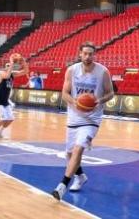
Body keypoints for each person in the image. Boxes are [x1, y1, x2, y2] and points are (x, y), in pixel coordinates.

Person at [51, 42, 114, 200]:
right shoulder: (72, 70)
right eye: (85, 53)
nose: (88, 57)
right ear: (80, 54)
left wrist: (99, 100)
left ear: (94, 55)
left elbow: (110, 93)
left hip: (92, 118)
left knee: (78, 150)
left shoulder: (102, 72)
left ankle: (62, 185)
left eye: (90, 54)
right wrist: (75, 102)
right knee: (69, 154)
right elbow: (64, 93)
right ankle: (80, 177)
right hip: (74, 116)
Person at [0, 59, 29, 142]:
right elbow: (7, 76)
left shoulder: (12, 75)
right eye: (7, 66)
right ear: (4, 68)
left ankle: (0, 133)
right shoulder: (2, 74)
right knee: (2, 119)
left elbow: (25, 71)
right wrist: (12, 64)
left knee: (10, 118)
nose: (9, 66)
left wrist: (24, 63)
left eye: (9, 66)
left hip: (5, 101)